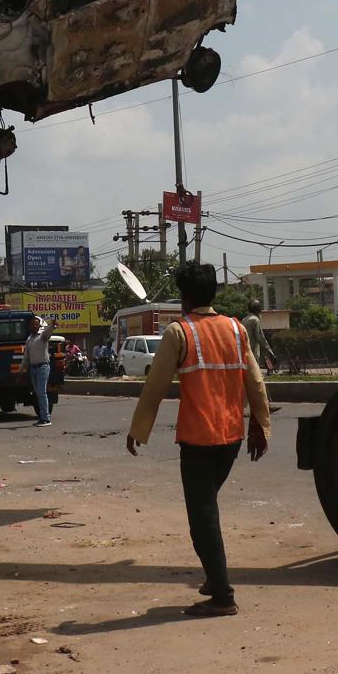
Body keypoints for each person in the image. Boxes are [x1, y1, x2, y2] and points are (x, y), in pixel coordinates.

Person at [126, 262, 271, 618]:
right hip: (231, 437)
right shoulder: (236, 329)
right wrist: (260, 426)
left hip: (198, 440)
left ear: (185, 297)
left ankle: (222, 596)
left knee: (202, 517)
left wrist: (138, 430)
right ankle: (213, 578)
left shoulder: (180, 332)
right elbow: (256, 382)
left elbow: (155, 386)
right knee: (207, 507)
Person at [24, 315, 56, 426]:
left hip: (43, 367)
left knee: (42, 393)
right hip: (33, 368)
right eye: (33, 324)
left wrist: (52, 325)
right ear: (29, 326)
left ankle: (46, 419)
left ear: (39, 326)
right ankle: (43, 417)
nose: (35, 326)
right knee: (38, 393)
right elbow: (26, 357)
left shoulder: (42, 337)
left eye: (37, 324)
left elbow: (48, 332)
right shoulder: (29, 339)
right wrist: (21, 370)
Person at [243, 300, 276, 371]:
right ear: (258, 310)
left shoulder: (244, 320)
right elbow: (260, 337)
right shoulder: (255, 320)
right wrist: (270, 352)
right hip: (253, 353)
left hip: (244, 352)